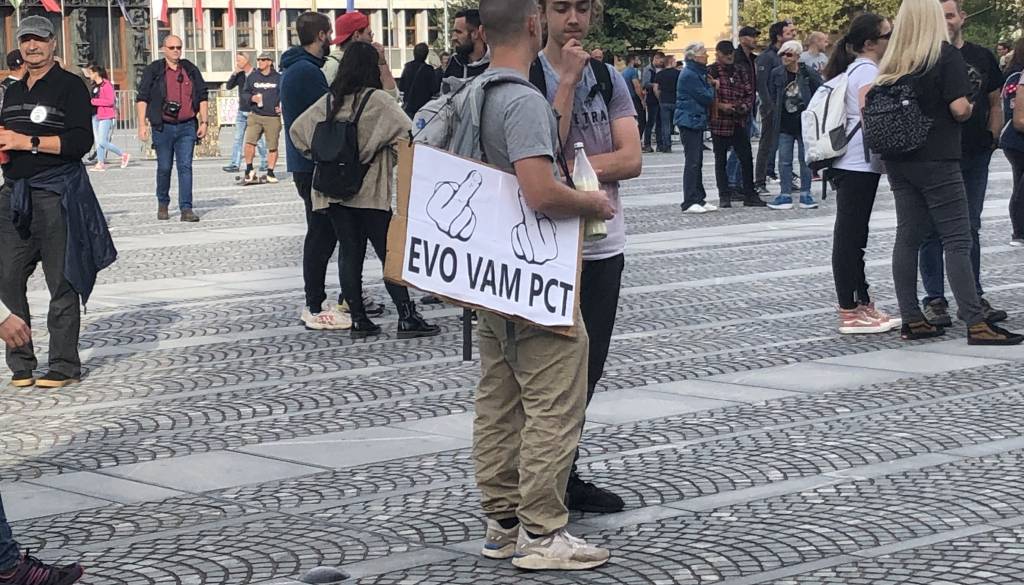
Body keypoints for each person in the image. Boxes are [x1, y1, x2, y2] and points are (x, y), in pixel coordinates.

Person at [468, 0, 614, 570]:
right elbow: (540, 189)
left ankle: (502, 523)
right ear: (533, 24)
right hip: (533, 272)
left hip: (490, 275)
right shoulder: (522, 99)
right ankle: (542, 532)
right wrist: (590, 202)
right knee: (554, 402)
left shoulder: (474, 92)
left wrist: (565, 87)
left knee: (499, 400)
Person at [536, 0, 640, 515]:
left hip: (604, 245)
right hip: (546, 247)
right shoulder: (528, 76)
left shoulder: (608, 77)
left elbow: (632, 158)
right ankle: (537, 481)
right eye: (561, 8)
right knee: (545, 372)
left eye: (581, 8)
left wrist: (571, 171)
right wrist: (567, 83)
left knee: (588, 369)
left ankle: (565, 470)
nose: (573, 18)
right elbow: (537, 155)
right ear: (541, 14)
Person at [875, 0, 1021, 345]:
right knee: (957, 237)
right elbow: (958, 109)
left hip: (899, 158)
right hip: (938, 156)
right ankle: (976, 321)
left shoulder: (894, 58)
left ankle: (912, 318)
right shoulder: (943, 55)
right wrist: (968, 103)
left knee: (908, 237)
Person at [290, 43, 440, 341]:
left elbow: (298, 131)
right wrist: (385, 154)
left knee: (350, 252)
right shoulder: (378, 100)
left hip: (334, 190)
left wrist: (321, 156)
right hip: (370, 190)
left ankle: (359, 319)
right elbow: (410, 135)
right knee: (388, 253)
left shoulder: (331, 100)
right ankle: (407, 316)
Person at [0, 15, 116, 388]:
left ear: (53, 43)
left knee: (61, 279)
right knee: (7, 276)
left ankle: (64, 364)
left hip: (55, 193)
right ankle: (21, 363)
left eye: (39, 39)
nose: (32, 46)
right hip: (14, 195)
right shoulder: (13, 91)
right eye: (26, 40)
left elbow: (81, 142)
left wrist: (28, 142)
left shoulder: (70, 86)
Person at [917, 0, 1009, 328]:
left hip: (974, 154)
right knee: (930, 228)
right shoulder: (925, 58)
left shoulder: (981, 56)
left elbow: (995, 100)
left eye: (951, 15)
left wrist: (992, 135)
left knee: (970, 226)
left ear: (962, 17)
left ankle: (973, 296)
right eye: (940, 16)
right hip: (937, 155)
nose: (947, 21)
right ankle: (934, 298)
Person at [822, 13, 899, 334]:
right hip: (857, 164)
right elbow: (872, 116)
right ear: (870, 43)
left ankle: (861, 302)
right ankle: (850, 310)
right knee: (850, 238)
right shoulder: (867, 70)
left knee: (854, 237)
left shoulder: (856, 67)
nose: (892, 40)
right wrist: (890, 153)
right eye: (887, 35)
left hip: (853, 164)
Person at [280, 12, 355, 332]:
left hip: (305, 163)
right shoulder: (306, 72)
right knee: (321, 234)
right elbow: (329, 114)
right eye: (329, 34)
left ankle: (327, 299)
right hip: (311, 164)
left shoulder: (301, 68)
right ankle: (315, 304)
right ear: (322, 35)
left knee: (324, 232)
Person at [136, 35, 208, 222]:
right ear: (164, 49)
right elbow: (142, 97)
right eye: (172, 47)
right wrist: (142, 124)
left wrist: (204, 121)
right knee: (164, 167)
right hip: (163, 127)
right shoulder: (154, 70)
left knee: (185, 167)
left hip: (187, 126)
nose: (176, 51)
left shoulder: (190, 69)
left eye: (179, 47)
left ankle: (186, 209)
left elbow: (203, 96)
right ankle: (163, 203)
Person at [767, 39, 821, 210]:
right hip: (784, 123)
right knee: (784, 160)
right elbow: (771, 94)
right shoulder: (776, 73)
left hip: (804, 123)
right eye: (782, 54)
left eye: (789, 54)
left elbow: (820, 91)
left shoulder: (807, 73)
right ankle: (785, 195)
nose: (785, 57)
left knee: (805, 160)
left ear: (797, 56)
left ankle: (806, 194)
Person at [709, 40, 763, 209]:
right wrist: (720, 106)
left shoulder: (739, 70)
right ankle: (724, 195)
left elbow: (749, 93)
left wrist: (744, 106)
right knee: (720, 160)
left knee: (746, 158)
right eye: (725, 54)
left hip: (739, 121)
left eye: (731, 53)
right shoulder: (711, 71)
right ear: (718, 54)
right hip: (720, 123)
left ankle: (749, 194)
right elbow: (707, 96)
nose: (729, 56)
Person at [755, 20, 796, 193]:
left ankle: (787, 178)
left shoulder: (787, 55)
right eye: (788, 33)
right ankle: (760, 181)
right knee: (767, 145)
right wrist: (769, 106)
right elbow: (762, 84)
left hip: (787, 107)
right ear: (778, 37)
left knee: (785, 145)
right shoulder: (768, 56)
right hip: (772, 107)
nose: (793, 35)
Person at [676, 42, 715, 213]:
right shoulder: (690, 74)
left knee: (697, 161)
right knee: (693, 161)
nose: (707, 56)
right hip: (689, 120)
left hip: (694, 119)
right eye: (704, 53)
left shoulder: (697, 72)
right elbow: (706, 97)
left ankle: (699, 197)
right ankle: (690, 200)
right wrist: (712, 87)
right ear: (694, 56)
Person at [323, 11, 398, 98]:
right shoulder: (335, 66)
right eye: (369, 34)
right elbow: (392, 96)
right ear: (357, 35)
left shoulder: (330, 64)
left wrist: (382, 62)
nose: (372, 40)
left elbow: (393, 95)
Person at [726, 26, 760, 195]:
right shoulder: (736, 57)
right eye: (752, 36)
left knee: (744, 146)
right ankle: (732, 183)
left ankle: (738, 182)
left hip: (750, 105)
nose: (755, 39)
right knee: (739, 147)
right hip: (739, 107)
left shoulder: (753, 59)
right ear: (742, 39)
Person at [239, 52, 282, 184]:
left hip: (272, 117)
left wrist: (282, 107)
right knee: (249, 142)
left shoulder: (278, 78)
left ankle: (270, 172)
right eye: (259, 60)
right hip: (255, 115)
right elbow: (244, 93)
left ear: (269, 62)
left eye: (263, 60)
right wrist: (252, 98)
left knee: (272, 146)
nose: (260, 62)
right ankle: (249, 169)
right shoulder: (253, 77)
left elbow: (285, 94)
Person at [224, 53, 267, 174]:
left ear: (246, 60)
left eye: (239, 60)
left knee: (258, 138)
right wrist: (234, 73)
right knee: (238, 138)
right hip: (241, 111)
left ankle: (264, 162)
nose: (237, 62)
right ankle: (235, 163)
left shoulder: (256, 74)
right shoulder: (240, 75)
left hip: (253, 111)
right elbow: (228, 86)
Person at [84, 64, 129, 171]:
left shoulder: (106, 84)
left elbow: (110, 101)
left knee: (102, 141)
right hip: (95, 115)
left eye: (91, 73)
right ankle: (100, 163)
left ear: (96, 73)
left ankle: (123, 154)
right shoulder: (94, 86)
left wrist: (94, 101)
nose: (90, 75)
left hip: (105, 116)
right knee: (98, 141)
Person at [1002, 47, 1024, 247]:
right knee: (1020, 188)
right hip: (1017, 139)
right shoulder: (1018, 79)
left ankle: (1019, 231)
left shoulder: (1012, 77)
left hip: (1012, 140)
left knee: (1019, 185)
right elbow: (1018, 119)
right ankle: (1019, 231)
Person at [445, 9, 491, 80]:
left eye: (459, 32)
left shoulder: (496, 64)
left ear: (475, 34)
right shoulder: (454, 62)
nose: (453, 38)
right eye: (454, 32)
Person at [399, 43, 437, 117]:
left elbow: (401, 87)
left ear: (414, 53)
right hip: (423, 108)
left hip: (409, 107)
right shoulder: (429, 69)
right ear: (426, 55)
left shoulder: (408, 67)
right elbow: (434, 89)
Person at [653, 54, 679, 153]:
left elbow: (655, 88)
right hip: (676, 101)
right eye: (674, 61)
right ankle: (686, 143)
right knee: (680, 123)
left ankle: (667, 146)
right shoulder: (678, 73)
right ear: (671, 62)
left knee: (665, 124)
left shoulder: (660, 74)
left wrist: (659, 98)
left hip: (664, 101)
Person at [641, 51, 664, 153]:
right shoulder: (648, 69)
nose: (661, 63)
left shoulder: (661, 69)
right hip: (652, 99)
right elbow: (645, 83)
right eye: (660, 61)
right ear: (655, 59)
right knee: (650, 122)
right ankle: (647, 144)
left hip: (660, 99)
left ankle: (660, 144)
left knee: (659, 122)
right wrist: (654, 85)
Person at [621, 54, 646, 139]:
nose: (639, 61)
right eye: (637, 59)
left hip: (626, 98)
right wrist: (642, 99)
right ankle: (637, 139)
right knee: (642, 120)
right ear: (632, 60)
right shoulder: (633, 71)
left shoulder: (623, 72)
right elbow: (636, 86)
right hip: (634, 98)